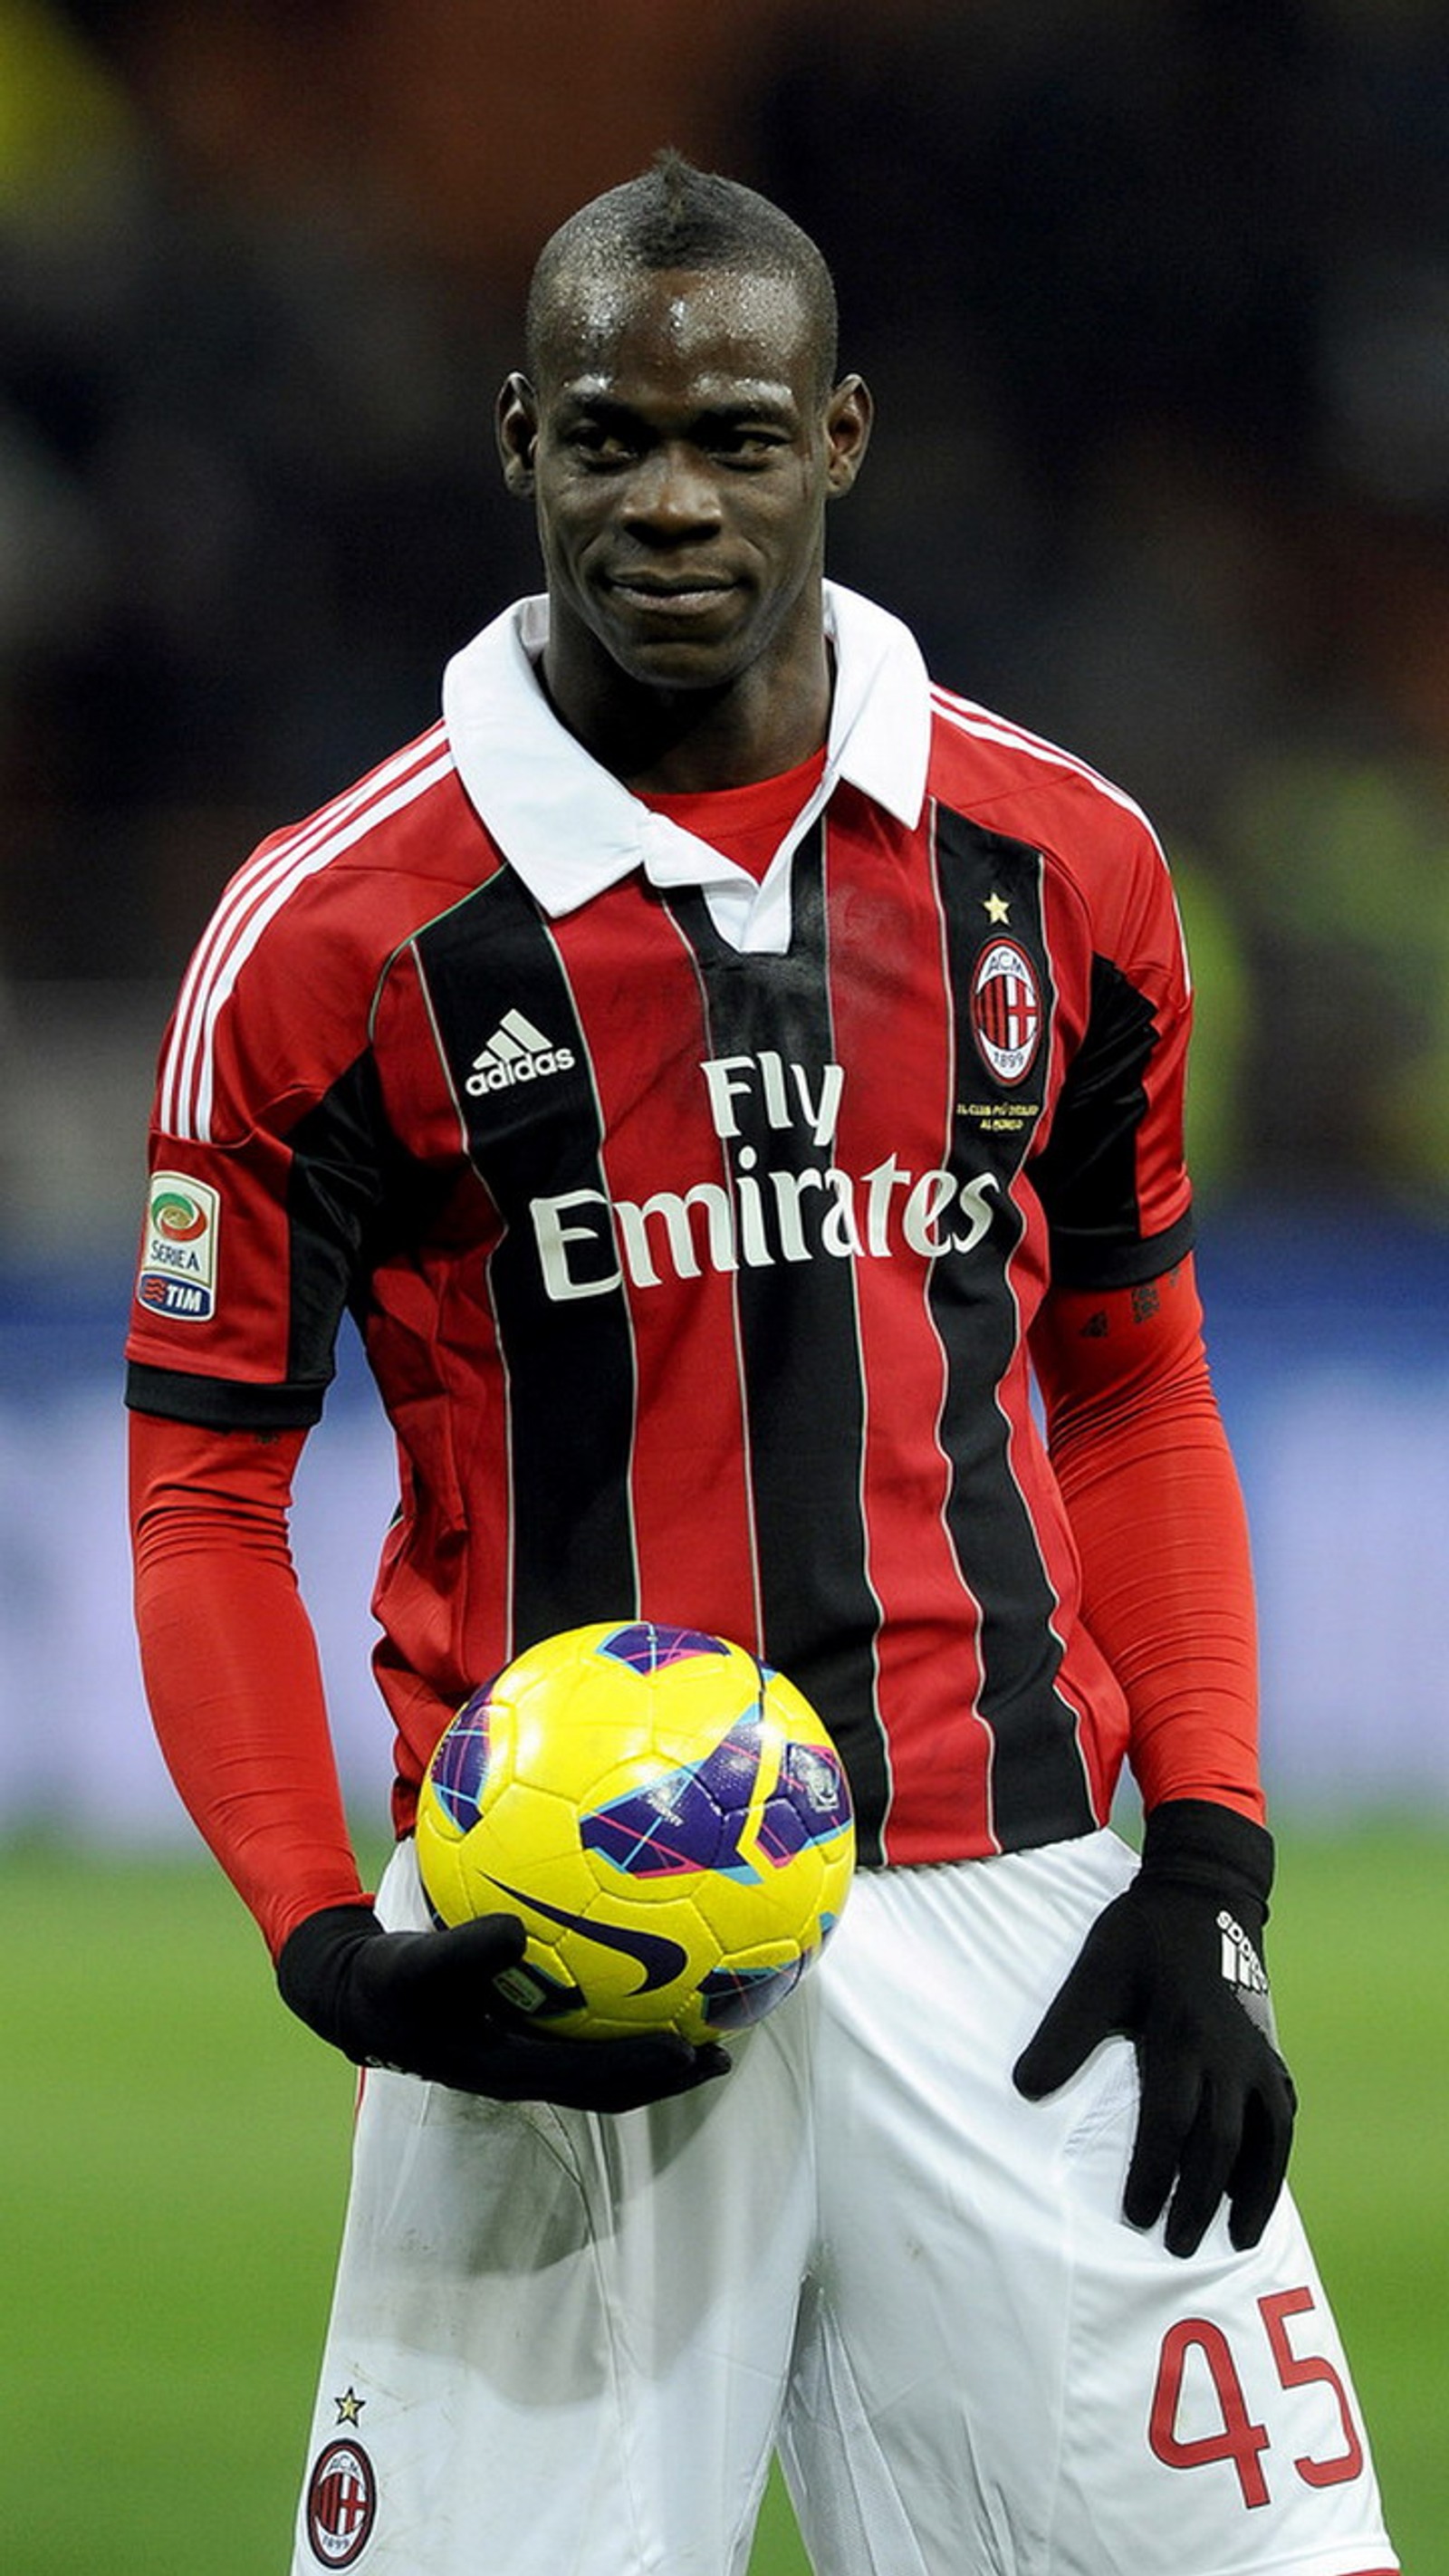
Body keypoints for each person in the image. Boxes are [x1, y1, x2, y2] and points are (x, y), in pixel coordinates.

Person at [126, 153, 1398, 2576]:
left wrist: (1208, 1865)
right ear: (519, 440)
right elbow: (200, 1482)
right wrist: (330, 1944)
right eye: (611, 436)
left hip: (1021, 1900)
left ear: (844, 437)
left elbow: (1130, 1381)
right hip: (559, 1932)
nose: (672, 496)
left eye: (734, 433)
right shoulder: (335, 935)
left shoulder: (1061, 864)